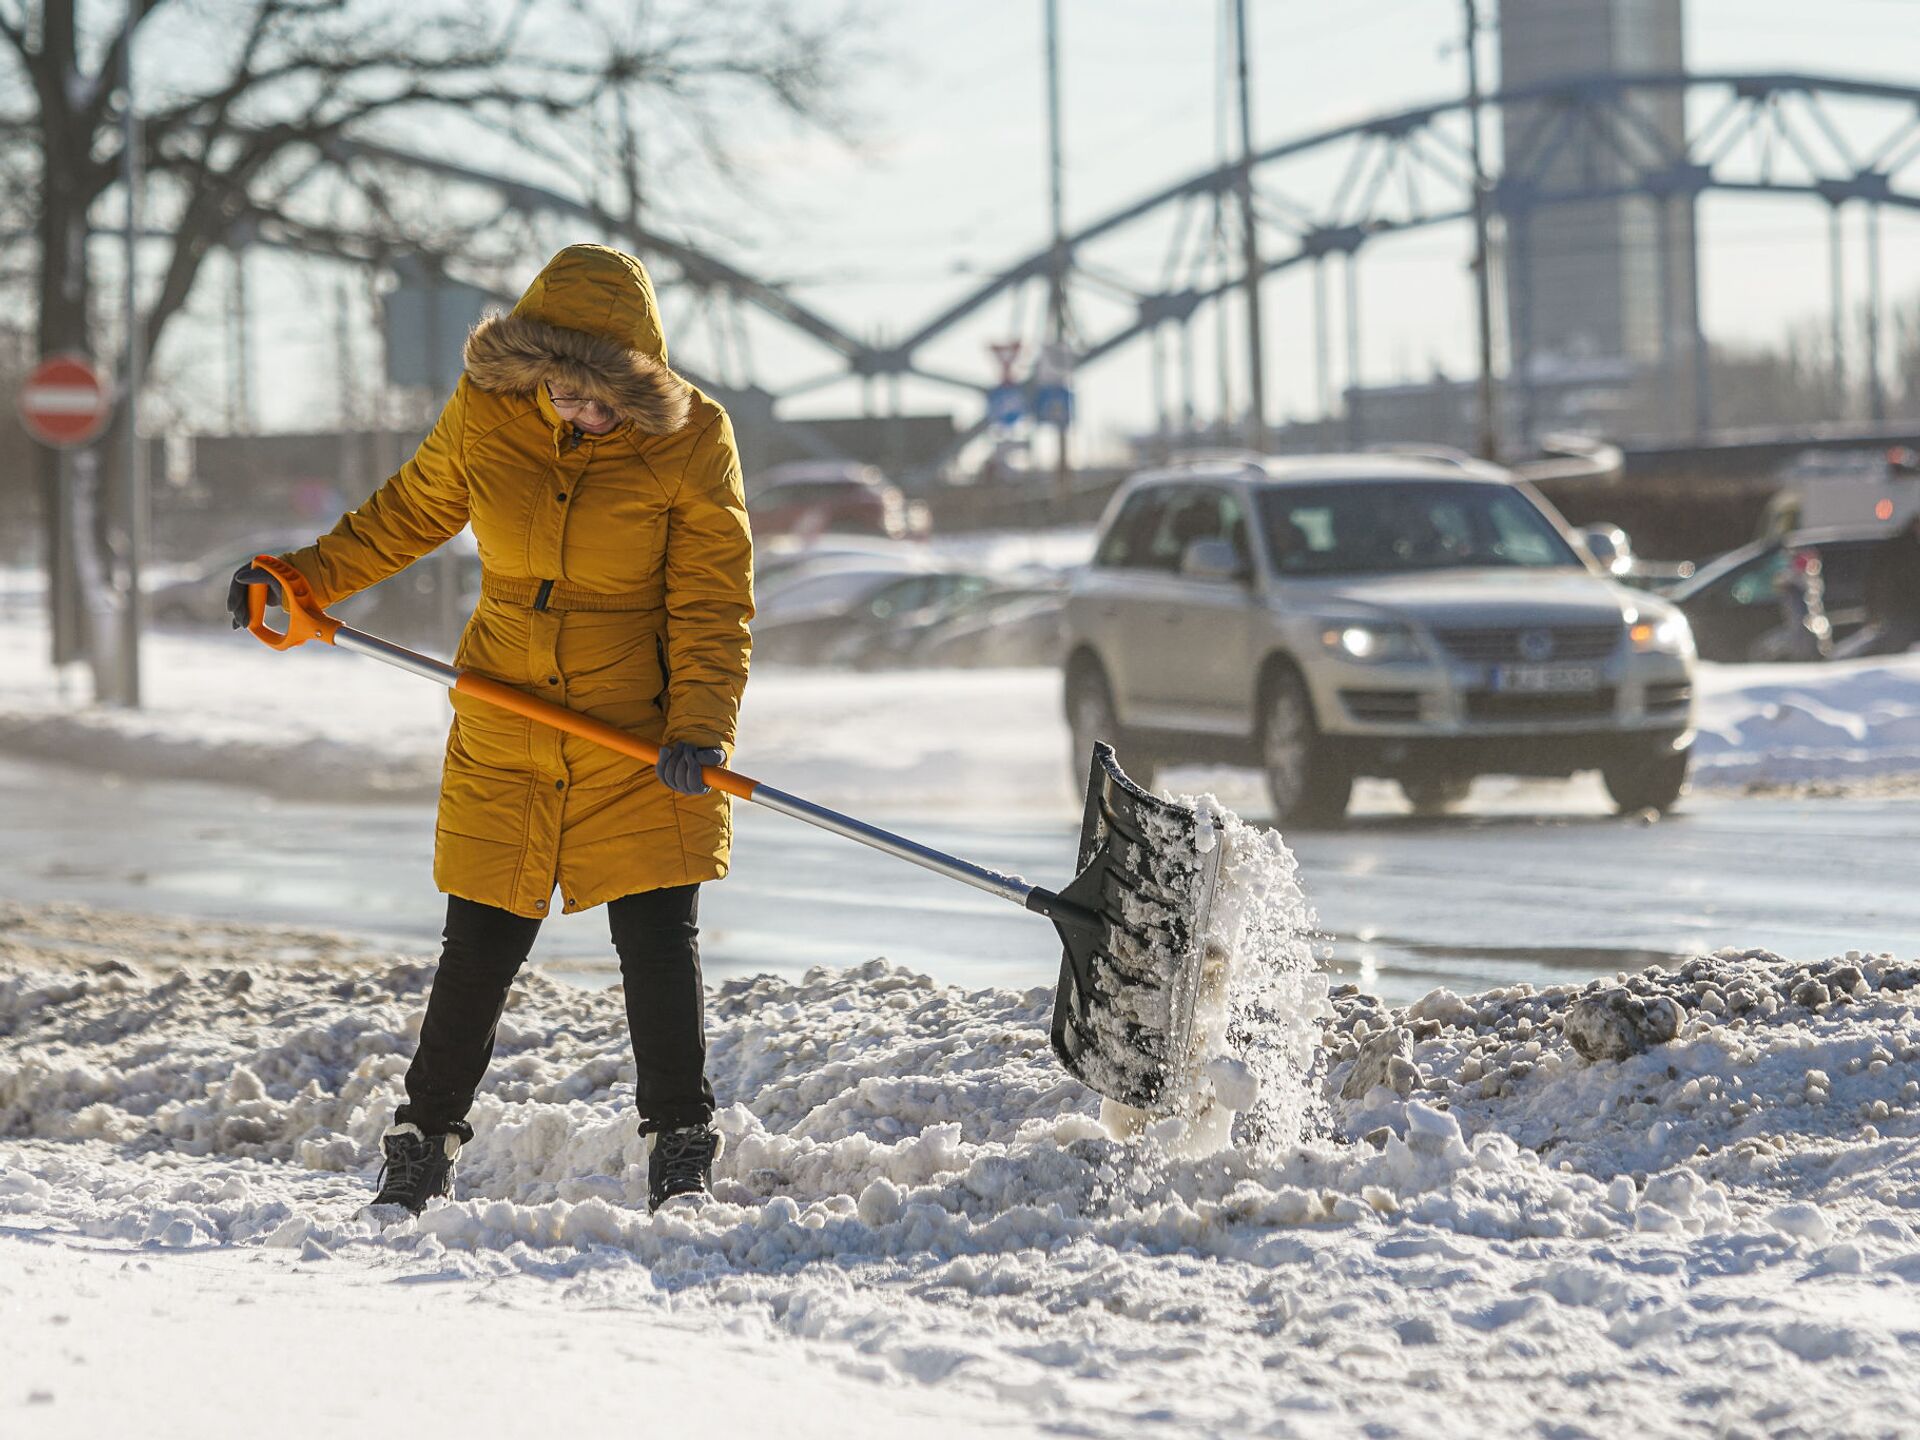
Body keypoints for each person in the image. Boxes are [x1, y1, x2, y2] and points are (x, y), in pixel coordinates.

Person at [228, 244, 754, 1216]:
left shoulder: (694, 437)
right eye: (567, 393)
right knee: (480, 933)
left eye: (607, 400)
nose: (584, 413)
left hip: (636, 723)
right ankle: (421, 1143)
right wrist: (302, 580)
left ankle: (682, 1144)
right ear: (536, 370)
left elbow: (712, 599)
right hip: (508, 705)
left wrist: (701, 727)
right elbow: (407, 513)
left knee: (654, 935)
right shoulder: (487, 412)